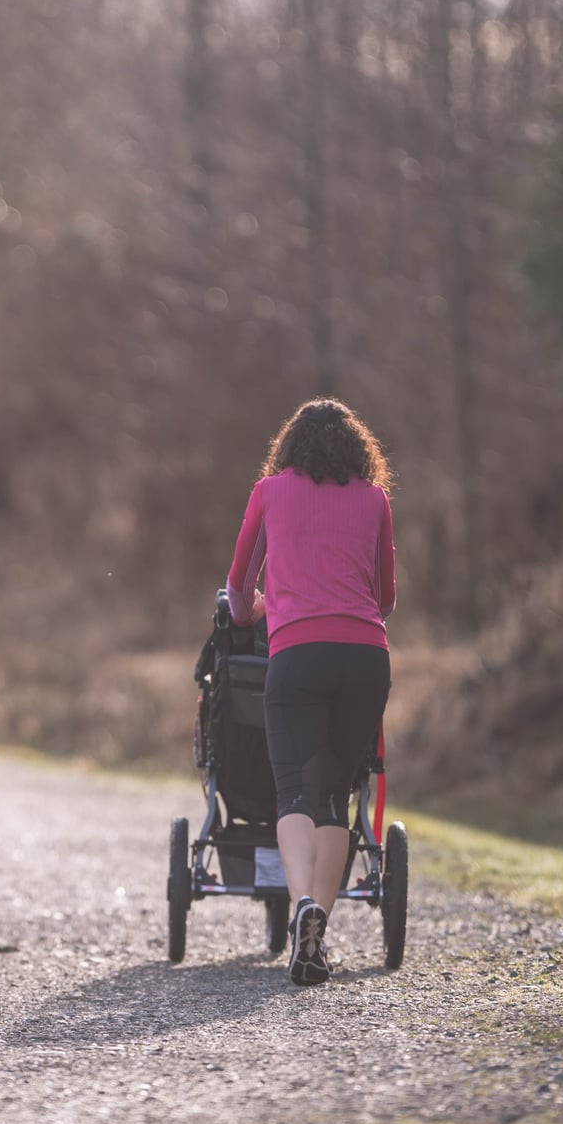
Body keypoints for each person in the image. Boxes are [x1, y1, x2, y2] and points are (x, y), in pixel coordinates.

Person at [223, 398, 396, 984]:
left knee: (295, 791)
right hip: (366, 657)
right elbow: (386, 596)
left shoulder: (269, 493)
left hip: (297, 655)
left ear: (289, 446)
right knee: (335, 796)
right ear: (358, 450)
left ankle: (302, 906)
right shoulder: (374, 500)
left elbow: (238, 586)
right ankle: (317, 933)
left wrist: (255, 612)